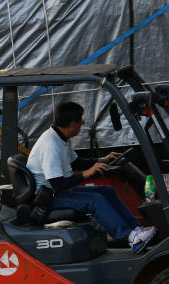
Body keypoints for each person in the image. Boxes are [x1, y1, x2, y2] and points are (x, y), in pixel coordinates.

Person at [26, 101, 156, 253]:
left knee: (106, 191)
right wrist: (88, 173)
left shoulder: (61, 138)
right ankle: (130, 237)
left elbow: (75, 162)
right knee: (95, 201)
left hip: (57, 191)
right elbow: (58, 184)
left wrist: (101, 160)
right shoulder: (50, 145)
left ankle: (135, 229)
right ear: (73, 123)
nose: (82, 125)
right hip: (48, 197)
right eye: (81, 122)